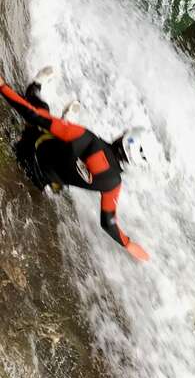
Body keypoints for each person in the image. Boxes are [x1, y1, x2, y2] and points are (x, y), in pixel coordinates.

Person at [0, 69, 150, 262]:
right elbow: (108, 223)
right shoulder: (113, 183)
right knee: (61, 148)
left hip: (28, 150)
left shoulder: (87, 139)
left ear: (124, 138)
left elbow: (33, 115)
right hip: (41, 182)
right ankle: (64, 125)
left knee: (40, 109)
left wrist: (3, 87)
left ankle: (36, 88)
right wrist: (128, 243)